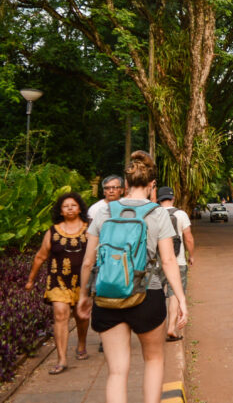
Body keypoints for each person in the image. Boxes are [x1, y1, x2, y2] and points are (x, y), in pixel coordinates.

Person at [77, 151, 188, 403]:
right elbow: (169, 260)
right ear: (152, 186)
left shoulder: (104, 212)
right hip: (148, 293)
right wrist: (180, 299)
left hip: (107, 295)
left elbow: (88, 260)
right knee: (154, 359)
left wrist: (84, 295)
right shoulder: (158, 213)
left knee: (116, 371)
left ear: (125, 185)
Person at [25, 192, 92, 374]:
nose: (70, 208)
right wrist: (31, 279)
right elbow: (40, 256)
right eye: (65, 206)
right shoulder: (53, 232)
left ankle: (81, 343)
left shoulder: (90, 229)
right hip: (58, 281)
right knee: (60, 315)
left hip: (83, 281)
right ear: (60, 211)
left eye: (73, 205)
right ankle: (61, 359)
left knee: (81, 316)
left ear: (79, 208)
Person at [156, 186, 194, 342]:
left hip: (157, 263)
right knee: (174, 295)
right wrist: (191, 255)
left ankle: (155, 330)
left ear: (158, 199)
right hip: (177, 261)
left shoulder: (153, 214)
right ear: (173, 198)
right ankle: (171, 328)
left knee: (156, 294)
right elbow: (189, 238)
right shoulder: (181, 214)